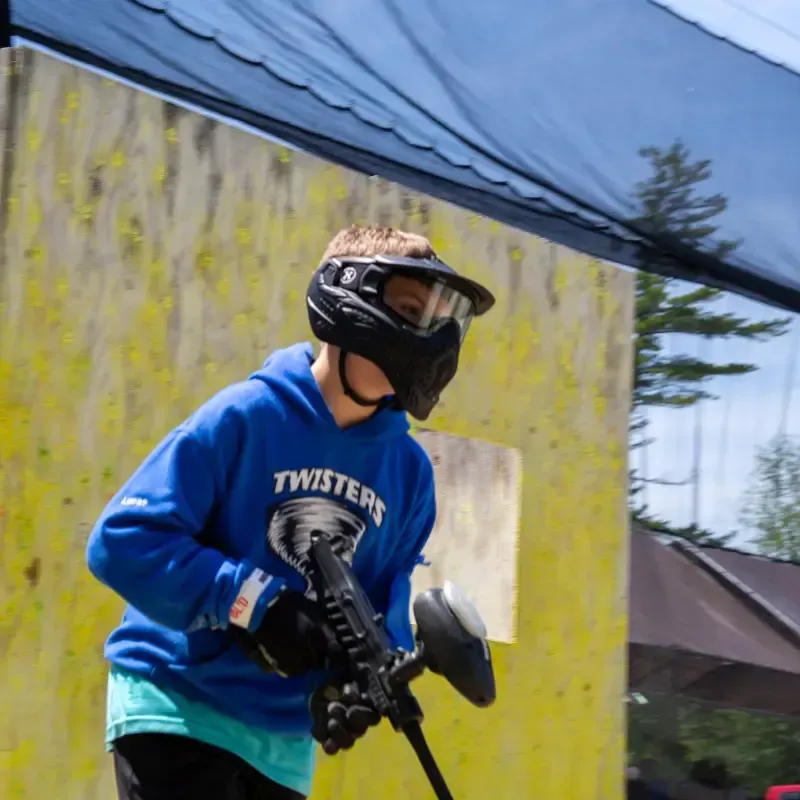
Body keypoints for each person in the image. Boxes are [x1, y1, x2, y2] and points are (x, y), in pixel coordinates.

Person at [86, 225, 495, 800]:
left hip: (280, 743)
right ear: (346, 302)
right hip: (178, 700)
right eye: (408, 311)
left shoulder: (409, 477)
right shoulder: (247, 417)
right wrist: (256, 603)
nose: (429, 338)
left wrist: (350, 689)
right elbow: (124, 541)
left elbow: (383, 607)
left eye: (437, 321)